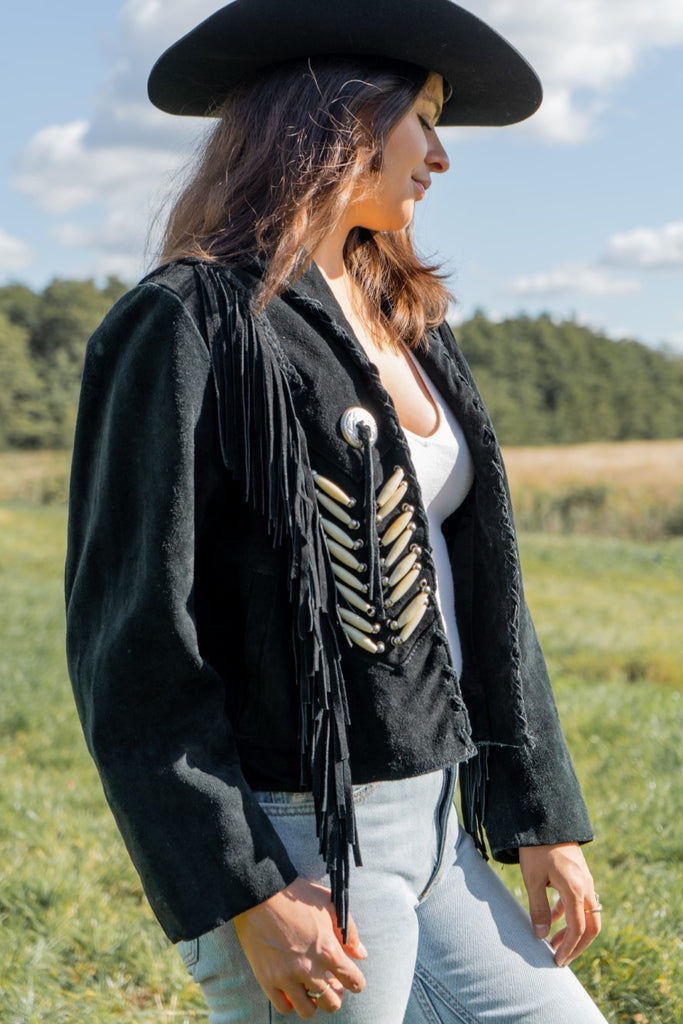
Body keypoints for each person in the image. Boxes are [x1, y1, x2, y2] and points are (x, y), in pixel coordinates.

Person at [65, 1, 609, 1021]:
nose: (439, 155)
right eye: (424, 117)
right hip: (297, 836)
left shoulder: (405, 320)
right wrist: (245, 886)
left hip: (435, 821)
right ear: (341, 118)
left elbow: (482, 583)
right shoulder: (183, 322)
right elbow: (130, 646)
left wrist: (542, 812)